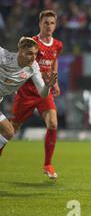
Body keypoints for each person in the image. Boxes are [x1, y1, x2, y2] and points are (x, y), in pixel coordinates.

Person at [10, 10, 63, 179]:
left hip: (44, 91)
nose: (49, 26)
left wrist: (55, 81)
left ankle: (48, 164)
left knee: (53, 123)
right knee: (11, 130)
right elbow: (20, 61)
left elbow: (54, 61)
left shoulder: (58, 45)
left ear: (55, 25)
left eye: (52, 23)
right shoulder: (32, 43)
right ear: (40, 24)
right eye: (46, 23)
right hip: (26, 91)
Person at [0, 37, 58, 156]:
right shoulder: (4, 56)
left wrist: (47, 86)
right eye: (29, 53)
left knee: (9, 132)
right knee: (9, 131)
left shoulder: (33, 67)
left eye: (35, 54)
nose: (33, 57)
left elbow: (42, 93)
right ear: (20, 51)